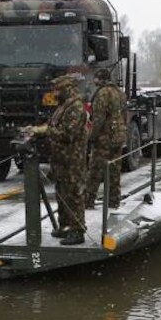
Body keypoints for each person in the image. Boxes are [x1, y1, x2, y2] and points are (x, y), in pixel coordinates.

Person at [36, 74, 89, 245]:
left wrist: (45, 131)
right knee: (62, 193)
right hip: (60, 158)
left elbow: (68, 134)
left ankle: (77, 230)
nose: (55, 93)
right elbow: (55, 126)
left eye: (58, 90)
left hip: (72, 158)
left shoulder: (76, 107)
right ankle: (65, 226)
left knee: (73, 194)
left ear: (67, 89)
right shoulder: (64, 107)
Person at [85, 68, 127, 210]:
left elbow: (99, 119)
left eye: (95, 78)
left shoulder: (102, 94)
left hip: (104, 137)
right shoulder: (119, 93)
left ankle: (88, 200)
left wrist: (92, 137)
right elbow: (124, 115)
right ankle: (114, 200)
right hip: (118, 135)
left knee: (95, 170)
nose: (93, 81)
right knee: (114, 170)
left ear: (100, 79)